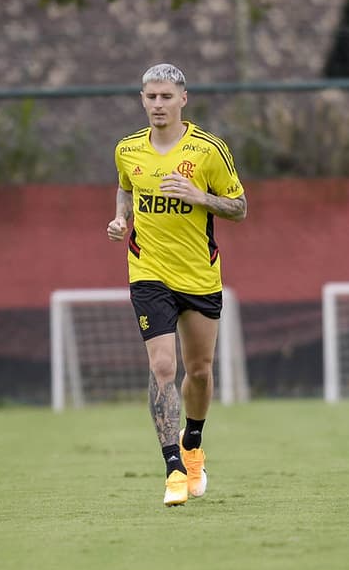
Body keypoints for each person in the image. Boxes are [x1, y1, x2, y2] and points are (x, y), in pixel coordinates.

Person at [106, 63, 248, 506]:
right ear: (142, 100)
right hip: (148, 271)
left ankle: (193, 447)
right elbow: (126, 188)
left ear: (183, 99)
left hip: (199, 274)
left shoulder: (208, 150)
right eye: (150, 97)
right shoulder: (128, 149)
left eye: (166, 96)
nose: (157, 105)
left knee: (200, 370)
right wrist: (120, 219)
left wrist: (199, 197)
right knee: (163, 367)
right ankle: (171, 468)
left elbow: (240, 207)